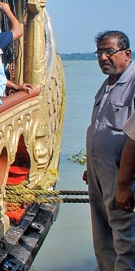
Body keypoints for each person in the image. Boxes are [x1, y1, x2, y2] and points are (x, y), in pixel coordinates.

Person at [83, 30, 135, 270]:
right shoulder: (108, 84)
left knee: (126, 240)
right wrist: (90, 166)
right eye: (99, 52)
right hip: (99, 174)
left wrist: (124, 185)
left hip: (121, 175)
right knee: (102, 235)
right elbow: (101, 127)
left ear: (127, 53)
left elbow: (133, 138)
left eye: (109, 51)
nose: (103, 58)